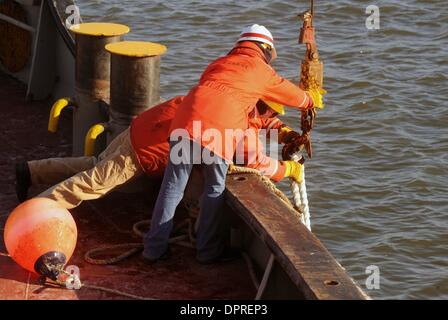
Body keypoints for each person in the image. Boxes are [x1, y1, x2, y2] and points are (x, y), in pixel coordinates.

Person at [143, 24, 324, 264]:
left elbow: (230, 102)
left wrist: (280, 130)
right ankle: (206, 251)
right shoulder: (260, 69)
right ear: (266, 49)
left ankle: (153, 249)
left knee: (173, 186)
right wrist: (310, 99)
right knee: (214, 189)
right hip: (218, 130)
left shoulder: (218, 63)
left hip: (184, 123)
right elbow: (290, 94)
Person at [14, 97, 304, 209]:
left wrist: (283, 131)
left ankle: (32, 171)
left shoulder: (223, 93)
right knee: (91, 185)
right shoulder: (239, 125)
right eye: (270, 112)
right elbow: (255, 160)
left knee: (96, 164)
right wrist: (286, 170)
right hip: (145, 150)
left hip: (139, 129)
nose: (270, 117)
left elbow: (261, 118)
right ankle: (36, 211)